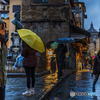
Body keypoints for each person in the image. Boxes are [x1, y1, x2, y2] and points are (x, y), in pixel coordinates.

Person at [0, 19, 8, 100]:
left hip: (2, 79)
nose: (4, 29)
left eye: (5, 27)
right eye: (2, 28)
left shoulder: (3, 42)